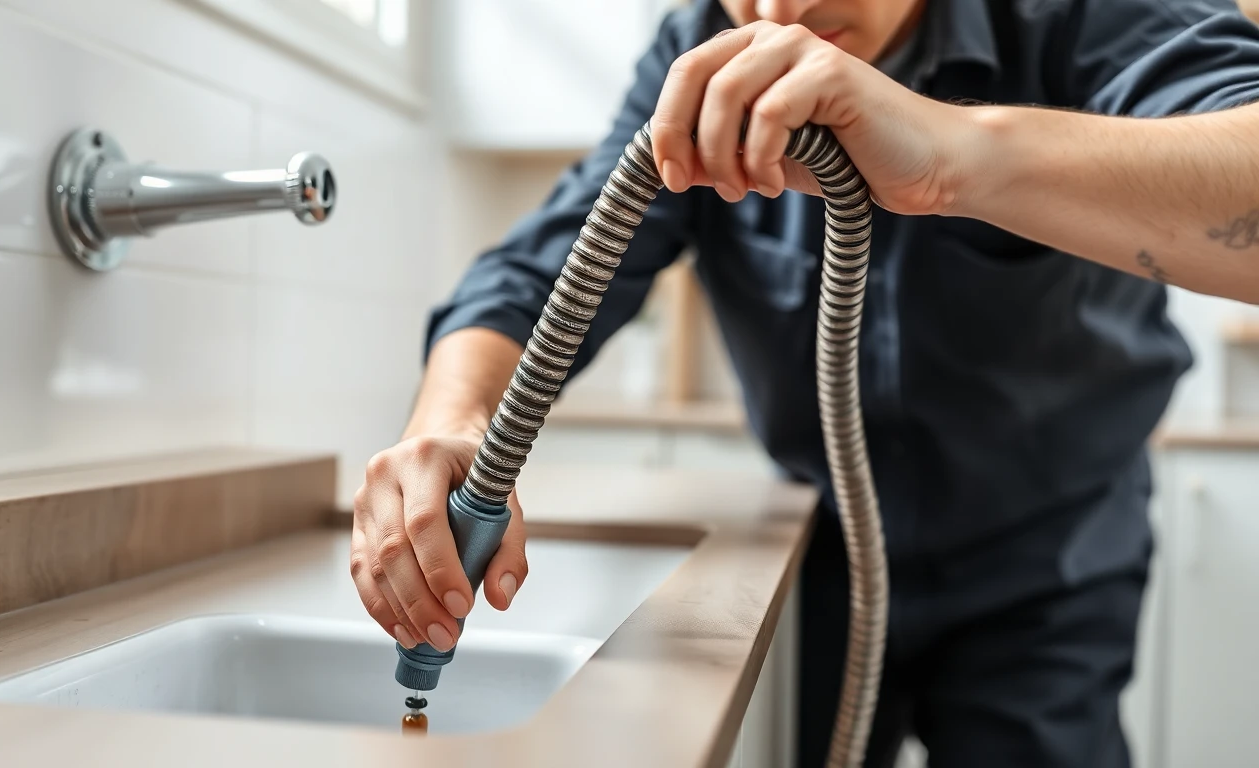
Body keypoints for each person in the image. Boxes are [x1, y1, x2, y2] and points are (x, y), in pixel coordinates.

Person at [351, 0, 1259, 764]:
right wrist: (454, 420)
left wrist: (954, 154)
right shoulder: (697, 48)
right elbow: (539, 272)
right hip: (815, 550)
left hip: (1049, 558)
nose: (781, 13)